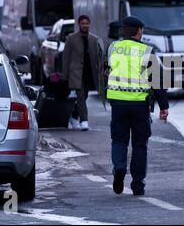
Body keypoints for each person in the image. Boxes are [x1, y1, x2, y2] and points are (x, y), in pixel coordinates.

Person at [106, 16, 169, 196]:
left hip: (118, 103)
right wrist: (163, 106)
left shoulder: (113, 48)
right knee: (140, 144)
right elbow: (156, 80)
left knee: (119, 140)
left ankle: (119, 168)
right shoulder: (147, 51)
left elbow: (106, 70)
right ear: (139, 31)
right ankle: (138, 184)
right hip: (139, 104)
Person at [62, 15, 98, 131]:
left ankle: (73, 116)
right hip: (76, 73)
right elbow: (66, 58)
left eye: (87, 23)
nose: (85, 25)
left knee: (85, 96)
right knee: (81, 96)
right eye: (83, 23)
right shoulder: (71, 39)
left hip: (88, 72)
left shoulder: (94, 39)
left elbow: (97, 58)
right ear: (79, 24)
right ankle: (84, 120)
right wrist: (65, 75)